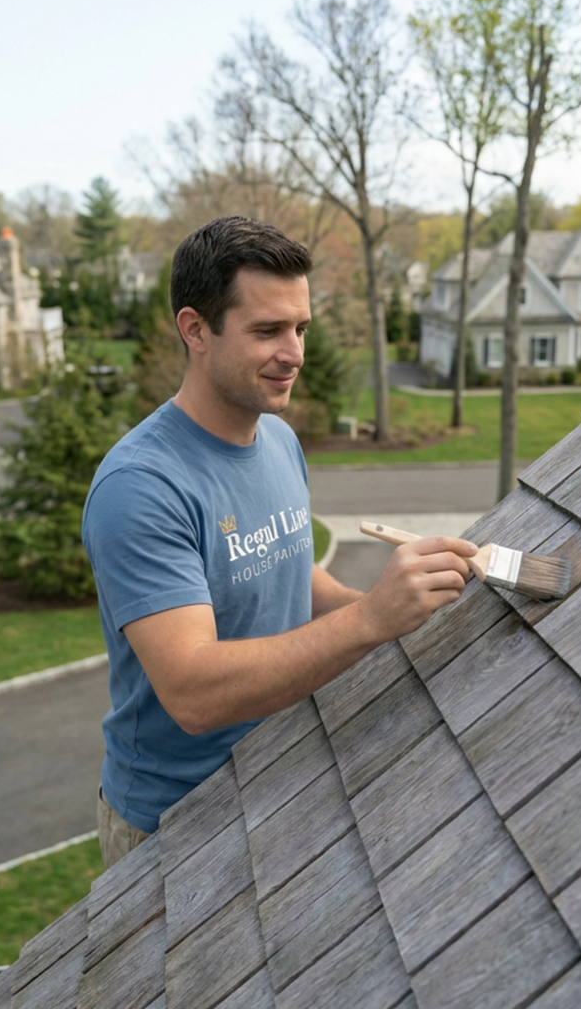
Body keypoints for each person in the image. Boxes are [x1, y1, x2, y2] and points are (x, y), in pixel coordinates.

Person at [82, 215, 477, 867]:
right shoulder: (142, 487)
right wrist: (372, 622)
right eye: (267, 330)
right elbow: (192, 693)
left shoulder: (278, 439)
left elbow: (287, 570)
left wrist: (390, 604)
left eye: (300, 328)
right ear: (195, 330)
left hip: (279, 775)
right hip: (173, 826)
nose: (294, 352)